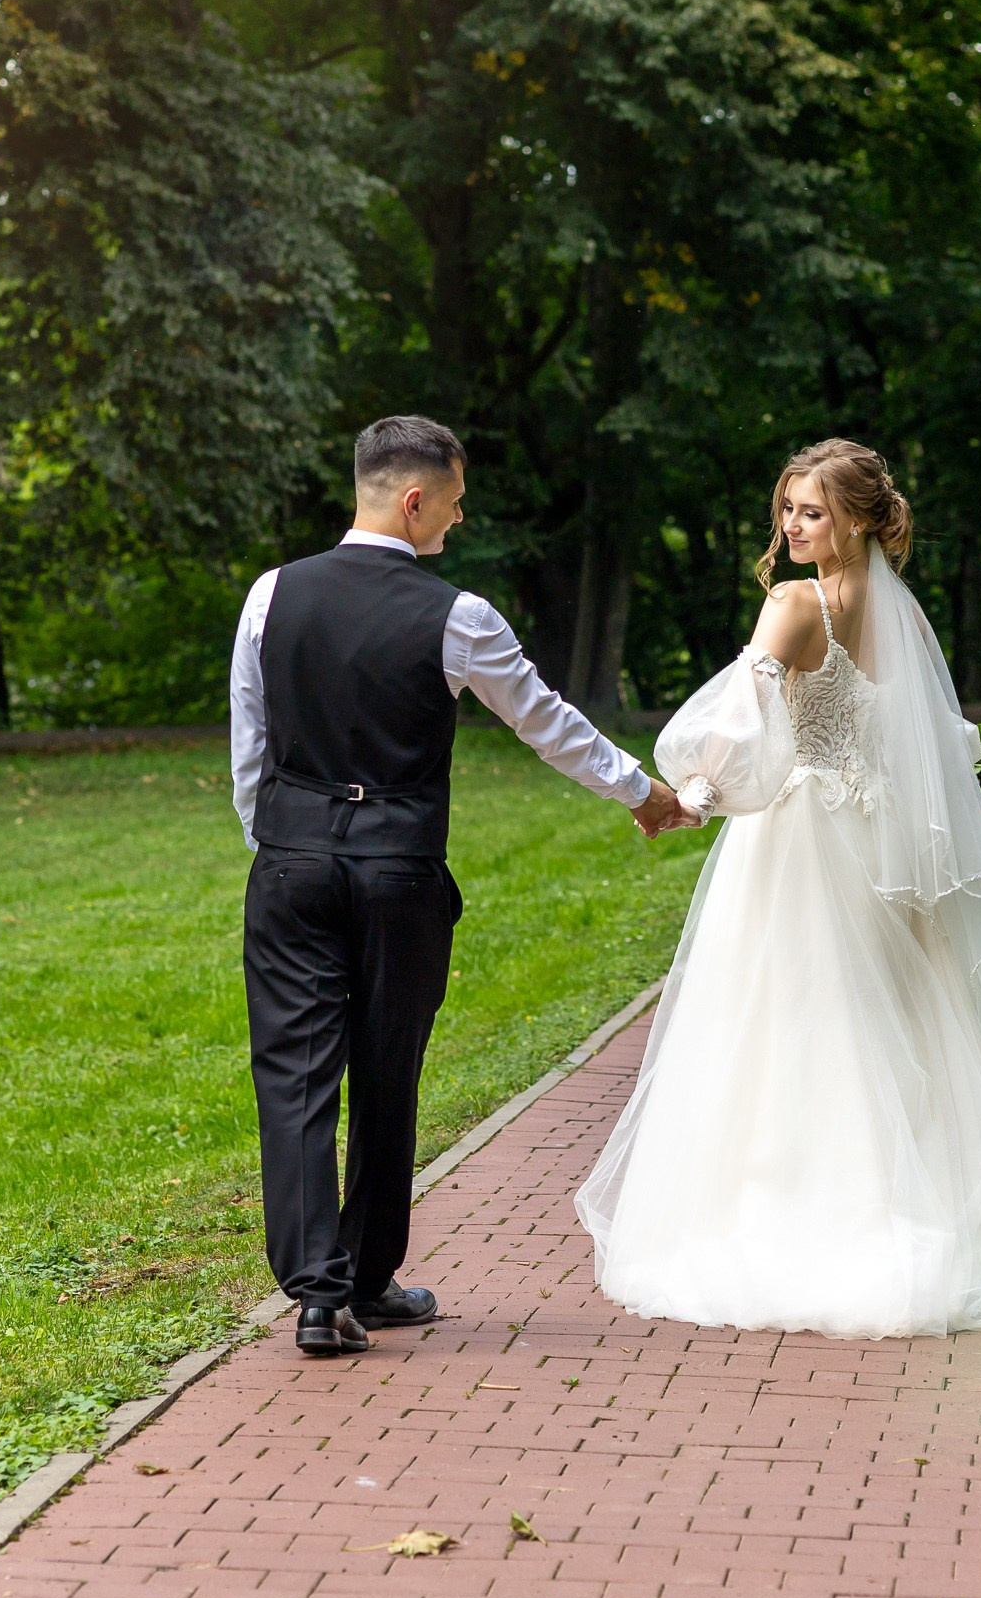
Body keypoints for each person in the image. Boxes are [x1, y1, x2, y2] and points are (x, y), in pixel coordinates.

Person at [575, 439, 981, 1338]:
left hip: (796, 839)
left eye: (811, 511)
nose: (791, 526)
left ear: (858, 517)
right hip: (877, 837)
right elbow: (917, 738)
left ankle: (795, 1218)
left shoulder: (794, 604)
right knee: (892, 1021)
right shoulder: (896, 608)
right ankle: (923, 1214)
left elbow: (740, 729)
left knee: (784, 1024)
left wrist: (689, 799)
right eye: (787, 508)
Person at [230, 415, 692, 1356]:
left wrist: (280, 838)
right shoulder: (458, 615)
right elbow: (547, 723)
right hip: (399, 873)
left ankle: (319, 1297)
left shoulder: (270, 595)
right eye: (452, 496)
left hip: (289, 865)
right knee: (386, 1071)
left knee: (295, 1076)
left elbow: (252, 742)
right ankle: (365, 1277)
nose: (460, 512)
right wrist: (639, 790)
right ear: (412, 500)